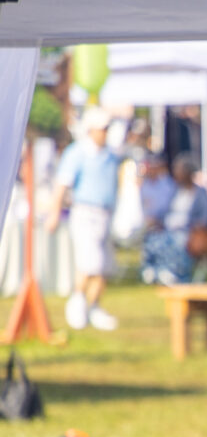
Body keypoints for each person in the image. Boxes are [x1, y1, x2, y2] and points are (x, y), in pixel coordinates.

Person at [45, 106, 121, 331]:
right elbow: (62, 186)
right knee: (90, 263)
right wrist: (54, 213)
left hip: (106, 213)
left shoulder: (111, 155)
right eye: (102, 128)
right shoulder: (77, 153)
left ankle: (94, 306)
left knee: (104, 266)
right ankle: (78, 302)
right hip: (85, 213)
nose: (106, 132)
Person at [140, 154, 207, 285]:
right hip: (169, 228)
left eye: (179, 170)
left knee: (176, 241)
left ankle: (176, 273)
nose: (176, 173)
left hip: (189, 232)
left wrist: (194, 226)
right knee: (154, 238)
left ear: (188, 173)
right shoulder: (175, 191)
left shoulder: (199, 193)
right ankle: (155, 270)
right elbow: (166, 212)